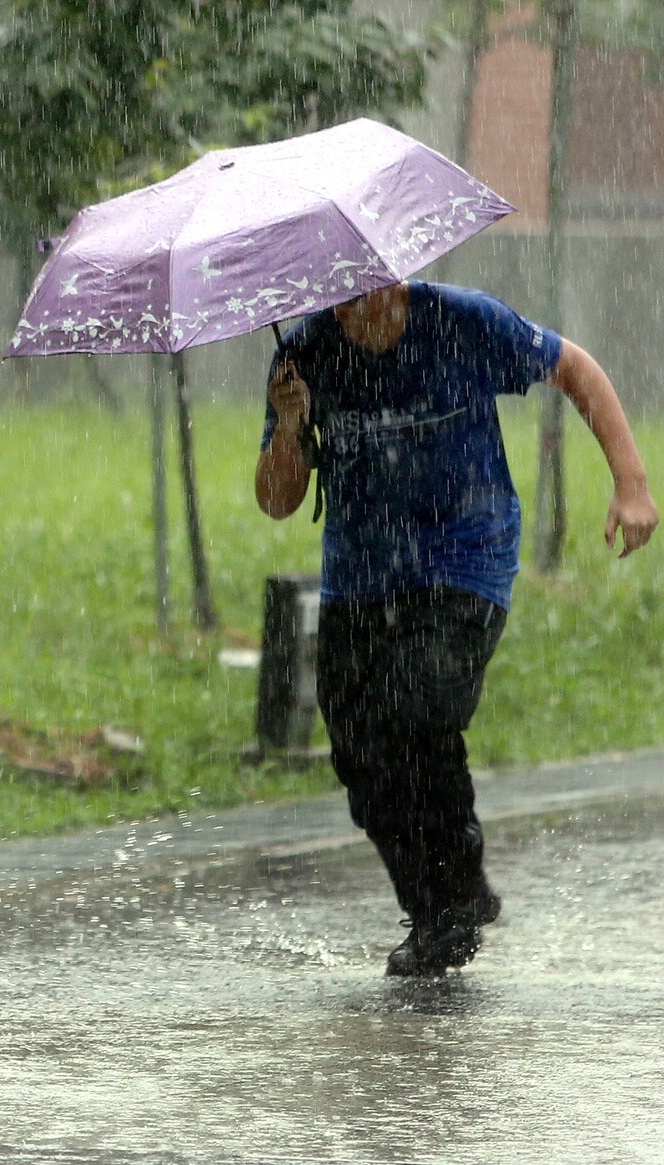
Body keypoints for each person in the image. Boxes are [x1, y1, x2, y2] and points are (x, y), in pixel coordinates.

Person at [254, 280, 658, 977]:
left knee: (418, 705)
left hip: (463, 554)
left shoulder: (459, 322)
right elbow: (276, 501)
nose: (349, 310)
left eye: (364, 291)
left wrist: (630, 482)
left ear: (393, 278)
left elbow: (573, 366)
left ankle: (457, 886)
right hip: (360, 573)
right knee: (360, 751)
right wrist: (289, 424)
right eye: (338, 297)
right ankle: (436, 910)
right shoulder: (303, 355)